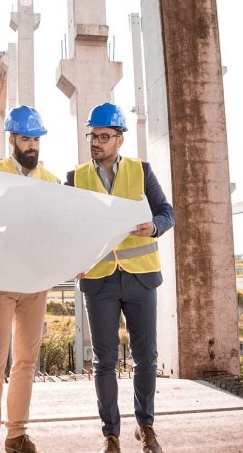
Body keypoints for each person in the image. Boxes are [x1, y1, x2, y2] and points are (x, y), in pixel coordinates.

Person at [65, 103, 175, 453]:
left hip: (140, 278)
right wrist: (73, 259)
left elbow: (166, 212)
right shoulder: (75, 177)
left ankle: (146, 427)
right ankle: (110, 434)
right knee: (105, 362)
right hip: (99, 281)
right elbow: (66, 227)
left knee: (146, 357)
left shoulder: (141, 171)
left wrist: (153, 227)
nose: (95, 142)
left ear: (120, 139)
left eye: (103, 136)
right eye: (92, 136)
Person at [0, 105, 59, 453]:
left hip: (35, 282)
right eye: (26, 138)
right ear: (12, 139)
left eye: (37, 139)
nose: (32, 146)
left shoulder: (51, 181)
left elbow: (58, 230)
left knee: (25, 361)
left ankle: (16, 435)